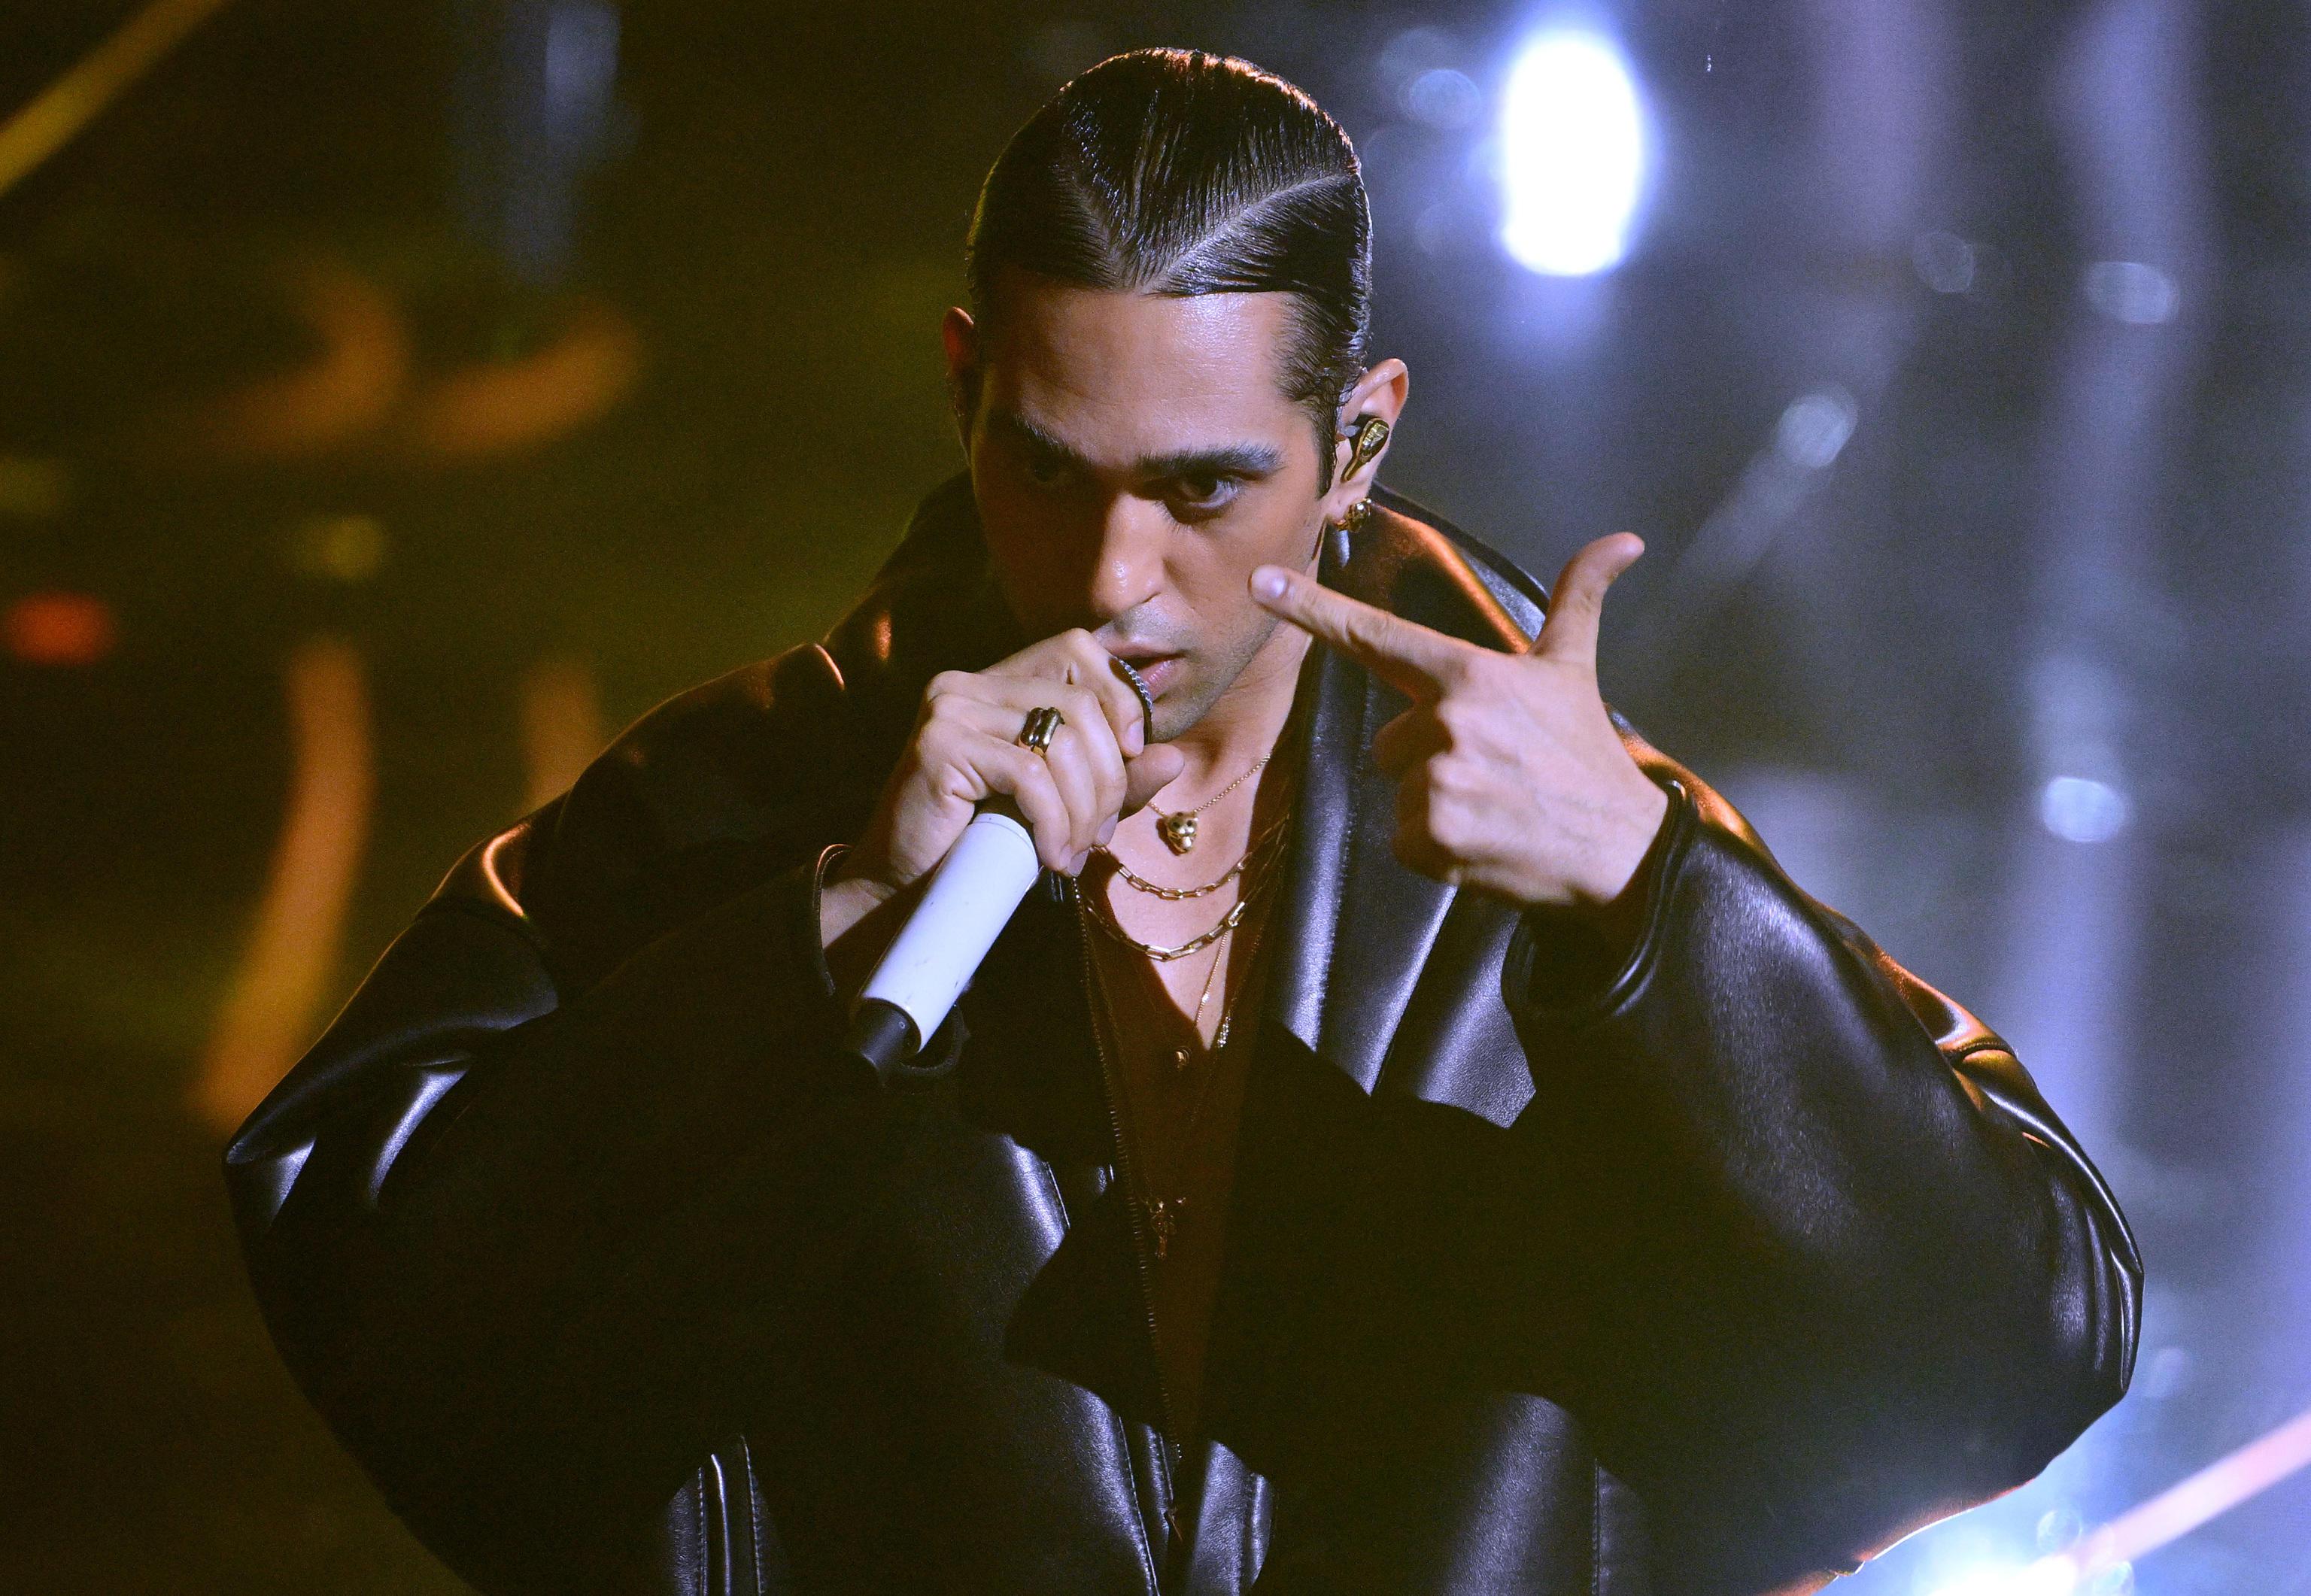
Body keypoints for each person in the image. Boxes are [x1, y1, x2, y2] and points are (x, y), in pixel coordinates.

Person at [226, 48, 2139, 1596]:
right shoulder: (754, 793)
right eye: (1042, 469)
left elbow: (2012, 1350)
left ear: (1357, 441)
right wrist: (833, 926)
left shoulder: (1555, 822)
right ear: (965, 384)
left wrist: (1647, 901)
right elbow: (399, 1330)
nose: (1114, 573)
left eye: (1203, 489)